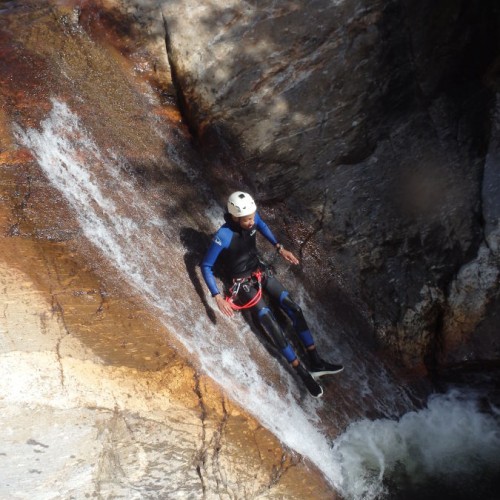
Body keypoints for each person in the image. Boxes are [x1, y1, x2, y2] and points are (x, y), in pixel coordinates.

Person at [201, 191, 343, 398]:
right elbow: (206, 265)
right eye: (246, 219)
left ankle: (315, 361)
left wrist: (279, 248)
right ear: (234, 217)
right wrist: (216, 296)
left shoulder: (252, 217)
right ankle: (302, 373)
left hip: (259, 271)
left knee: (294, 308)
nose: (251, 222)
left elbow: (263, 225)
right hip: (243, 284)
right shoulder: (222, 236)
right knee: (270, 321)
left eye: (252, 217)